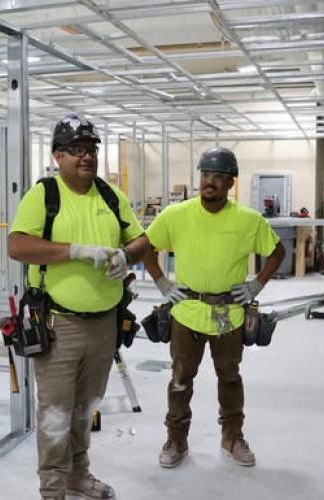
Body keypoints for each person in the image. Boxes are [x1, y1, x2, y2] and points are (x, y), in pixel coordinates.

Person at [8, 113, 144, 500]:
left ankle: (78, 476)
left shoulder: (110, 195)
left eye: (91, 149)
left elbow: (142, 240)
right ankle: (52, 490)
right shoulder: (44, 195)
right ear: (58, 156)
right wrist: (75, 251)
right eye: (76, 149)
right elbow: (18, 245)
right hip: (58, 325)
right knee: (55, 413)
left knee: (85, 409)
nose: (86, 156)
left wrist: (125, 254)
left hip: (104, 324)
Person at [124, 146, 285, 469]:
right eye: (206, 174)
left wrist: (256, 285)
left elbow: (277, 251)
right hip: (187, 313)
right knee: (180, 379)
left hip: (229, 315)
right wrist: (161, 282)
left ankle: (232, 437)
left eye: (219, 176)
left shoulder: (248, 220)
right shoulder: (176, 215)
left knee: (230, 378)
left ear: (231, 182)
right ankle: (176, 440)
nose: (210, 181)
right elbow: (146, 247)